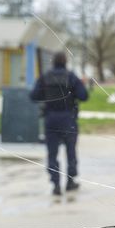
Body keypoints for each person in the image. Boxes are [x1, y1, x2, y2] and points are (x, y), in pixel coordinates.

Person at [30, 52, 89, 195]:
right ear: (65, 62)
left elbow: (33, 96)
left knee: (52, 153)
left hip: (51, 119)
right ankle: (70, 182)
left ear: (53, 63)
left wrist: (47, 97)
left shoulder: (45, 77)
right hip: (68, 118)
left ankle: (55, 184)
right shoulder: (71, 76)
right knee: (70, 151)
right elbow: (84, 96)